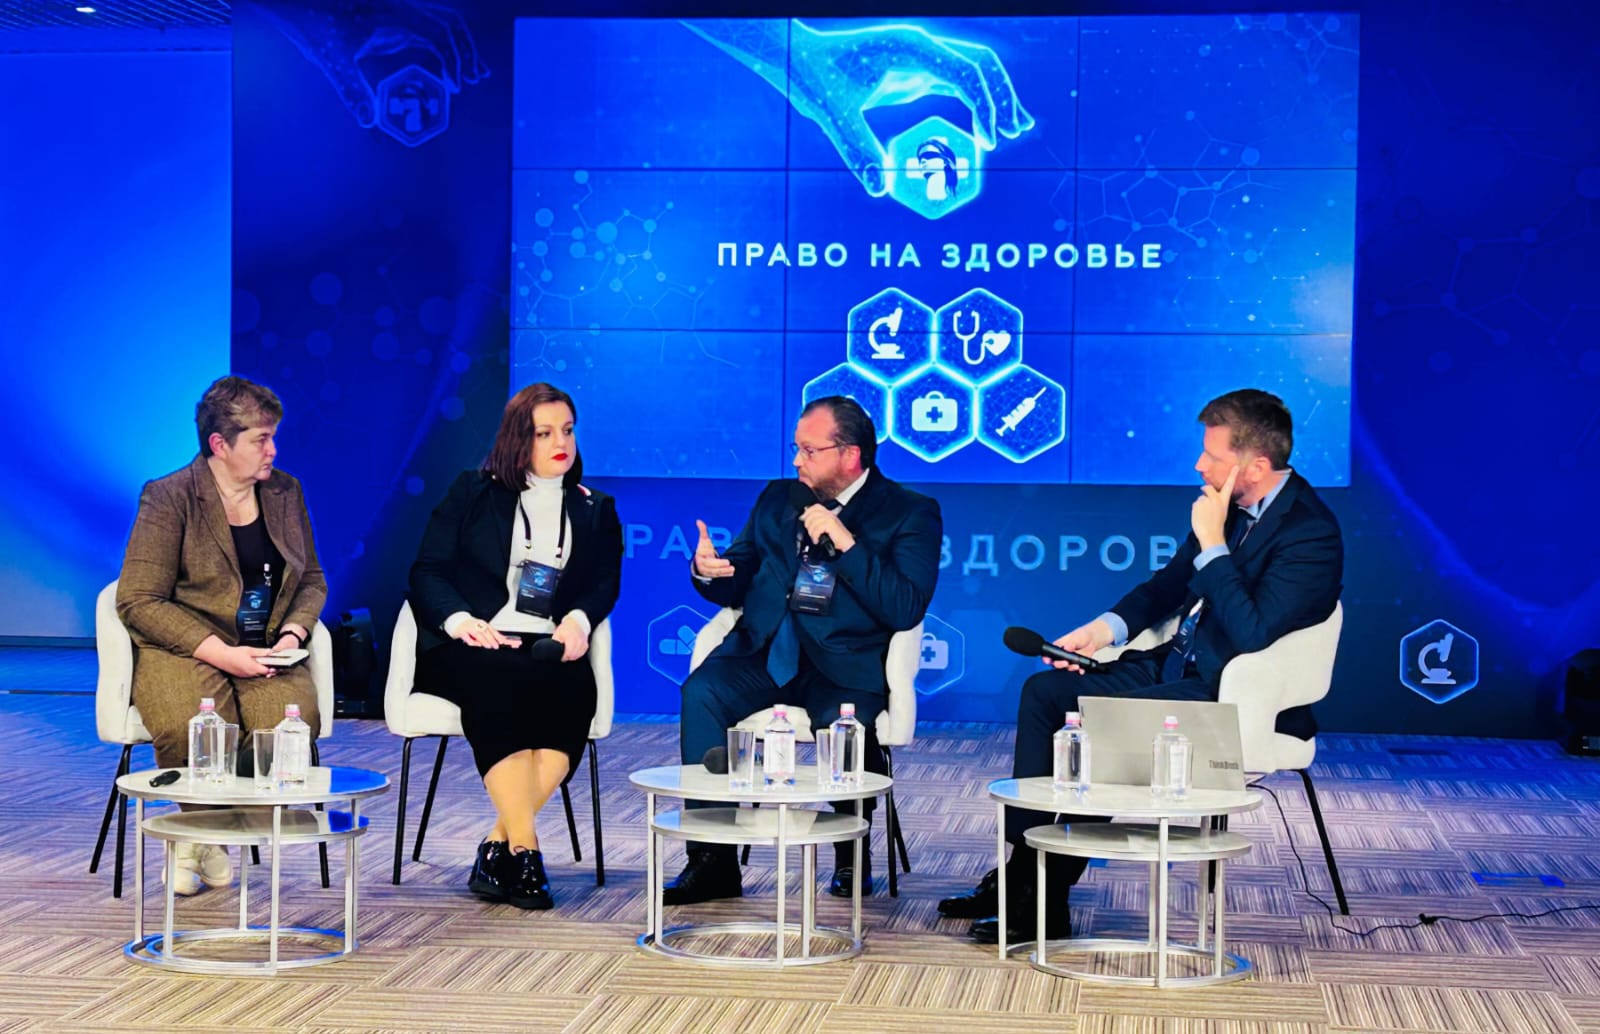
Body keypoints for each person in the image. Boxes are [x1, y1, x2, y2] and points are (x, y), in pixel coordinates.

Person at [940, 388, 1344, 943]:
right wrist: (1101, 632)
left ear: (1255, 465)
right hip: (1175, 666)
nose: (1199, 465)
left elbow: (1252, 633)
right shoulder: (1226, 510)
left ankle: (1044, 898)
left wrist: (1213, 544)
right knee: (1046, 694)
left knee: (1108, 723)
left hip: (1228, 694)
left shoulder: (1311, 533)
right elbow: (1168, 587)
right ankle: (1021, 871)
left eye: (1213, 456)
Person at [664, 396, 942, 904]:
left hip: (844, 666)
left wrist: (848, 545)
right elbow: (738, 574)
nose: (796, 460)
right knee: (702, 692)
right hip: (764, 653)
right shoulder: (779, 498)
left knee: (845, 724)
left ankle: (850, 853)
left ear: (850, 455)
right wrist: (709, 572)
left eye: (809, 451)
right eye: (796, 448)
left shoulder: (910, 512)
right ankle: (711, 860)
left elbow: (905, 607)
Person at [409, 382, 622, 911]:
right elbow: (427, 570)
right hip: (473, 640)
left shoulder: (595, 508)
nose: (560, 443)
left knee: (573, 689)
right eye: (544, 433)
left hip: (545, 644)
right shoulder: (472, 492)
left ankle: (496, 845)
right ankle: (526, 851)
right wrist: (461, 621)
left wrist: (578, 621)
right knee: (501, 683)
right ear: (517, 439)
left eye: (567, 431)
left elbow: (604, 583)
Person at [116, 375, 326, 896]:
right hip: (186, 646)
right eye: (261, 439)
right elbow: (138, 599)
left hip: (266, 645)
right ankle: (200, 835)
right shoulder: (169, 497)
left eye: (273, 437)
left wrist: (293, 633)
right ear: (220, 444)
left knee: (286, 724)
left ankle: (207, 833)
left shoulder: (285, 491)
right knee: (191, 722)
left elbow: (312, 579)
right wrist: (221, 654)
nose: (273, 450)